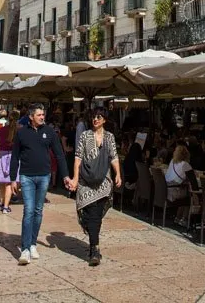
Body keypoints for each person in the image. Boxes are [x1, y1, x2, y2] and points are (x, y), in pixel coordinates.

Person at [9, 103, 72, 265]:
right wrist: (13, 178)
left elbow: (59, 154)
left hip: (44, 176)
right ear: (31, 117)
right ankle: (24, 249)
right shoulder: (21, 133)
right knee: (29, 210)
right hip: (26, 177)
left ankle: (32, 244)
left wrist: (65, 175)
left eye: (43, 114)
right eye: (39, 115)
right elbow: (15, 157)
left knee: (38, 211)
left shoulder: (49, 132)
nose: (42, 117)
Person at [69, 105, 121, 265]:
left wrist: (118, 174)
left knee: (96, 215)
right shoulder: (85, 136)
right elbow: (78, 158)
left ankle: (94, 248)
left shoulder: (109, 137)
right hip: (86, 181)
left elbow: (114, 156)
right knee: (90, 213)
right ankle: (95, 248)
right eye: (93, 116)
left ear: (104, 120)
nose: (95, 119)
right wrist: (75, 178)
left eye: (99, 117)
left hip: (103, 182)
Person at [0, 110, 19, 213]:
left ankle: (0, 203)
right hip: (14, 156)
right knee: (9, 182)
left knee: (2, 182)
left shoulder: (2, 129)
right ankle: (6, 207)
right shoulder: (19, 131)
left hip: (1, 155)